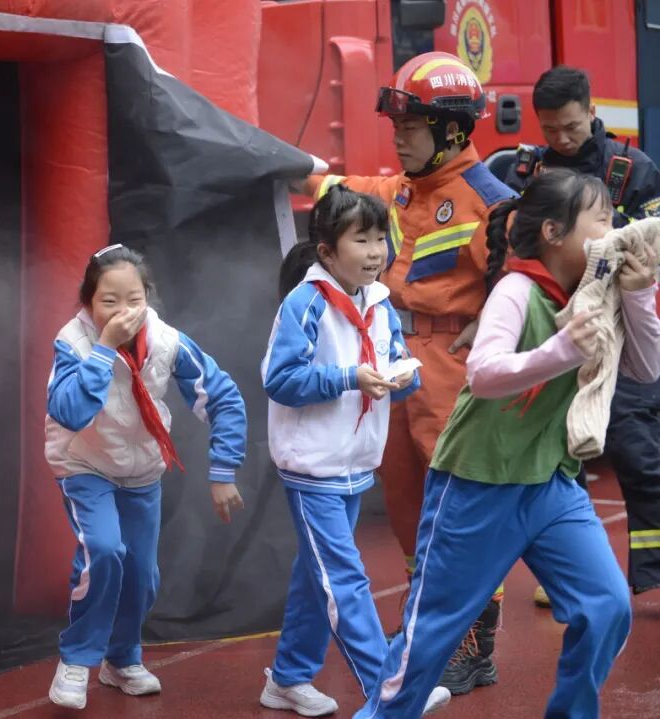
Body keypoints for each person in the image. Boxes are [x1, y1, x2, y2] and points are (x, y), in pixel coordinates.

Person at [354, 168, 660, 719]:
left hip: (551, 483)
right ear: (554, 233)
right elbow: (484, 374)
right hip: (477, 483)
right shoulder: (516, 290)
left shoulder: (599, 292)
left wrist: (638, 297)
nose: (614, 229)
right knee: (432, 633)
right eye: (600, 219)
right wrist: (563, 349)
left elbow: (645, 369)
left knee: (606, 607)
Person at [301, 51, 516, 693]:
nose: (398, 136)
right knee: (406, 506)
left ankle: (472, 644)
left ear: (450, 129)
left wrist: (496, 325)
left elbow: (529, 285)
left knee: (459, 509)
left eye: (412, 125)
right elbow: (328, 186)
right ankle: (431, 627)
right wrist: (270, 161)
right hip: (393, 363)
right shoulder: (395, 191)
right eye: (397, 124)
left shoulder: (493, 203)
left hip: (453, 367)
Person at [260, 186, 450, 717]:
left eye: (380, 239)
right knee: (343, 579)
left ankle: (288, 677)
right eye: (360, 240)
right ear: (327, 252)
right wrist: (349, 377)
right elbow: (279, 378)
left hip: (353, 461)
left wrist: (403, 376)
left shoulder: (378, 301)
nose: (375, 252)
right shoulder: (306, 303)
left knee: (315, 576)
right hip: (312, 465)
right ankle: (389, 687)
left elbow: (392, 358)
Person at [44, 244, 248, 710]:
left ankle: (121, 660)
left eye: (133, 299)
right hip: (85, 464)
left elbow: (223, 397)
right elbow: (69, 411)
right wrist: (103, 349)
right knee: (104, 551)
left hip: (141, 471)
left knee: (141, 575)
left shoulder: (166, 340)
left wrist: (222, 470)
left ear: (148, 297)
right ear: (88, 302)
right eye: (108, 301)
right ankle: (76, 659)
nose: (123, 311)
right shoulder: (72, 342)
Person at [506, 65, 660, 604]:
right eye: (550, 129)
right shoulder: (529, 170)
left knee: (638, 451)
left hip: (619, 327)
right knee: (558, 453)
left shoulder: (632, 169)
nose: (561, 138)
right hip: (554, 326)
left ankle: (655, 570)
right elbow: (514, 242)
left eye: (570, 127)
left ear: (591, 112)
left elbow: (652, 244)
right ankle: (571, 572)